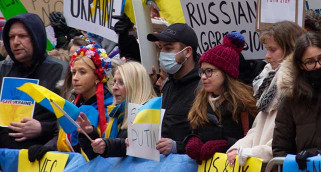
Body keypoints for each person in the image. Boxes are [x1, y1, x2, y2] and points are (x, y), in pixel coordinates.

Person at [227, 21, 305, 167]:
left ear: (291, 49)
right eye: (266, 49)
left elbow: (285, 138)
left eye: (272, 49)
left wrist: (250, 152)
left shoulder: (296, 87)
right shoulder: (268, 81)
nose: (267, 56)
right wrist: (238, 148)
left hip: (276, 164)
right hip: (261, 164)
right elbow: (257, 128)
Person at [184, 32, 258, 164]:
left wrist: (224, 144)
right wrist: (191, 140)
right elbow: (194, 131)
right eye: (202, 71)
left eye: (210, 71)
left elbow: (254, 141)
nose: (203, 76)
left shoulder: (245, 105)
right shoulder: (200, 102)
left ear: (226, 73)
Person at [272, 32, 321, 170]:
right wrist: (294, 164)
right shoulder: (291, 98)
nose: (318, 65)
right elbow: (281, 147)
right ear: (301, 65)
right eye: (310, 62)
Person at [0, 13, 65, 149]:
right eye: (11, 37)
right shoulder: (3, 70)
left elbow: (72, 120)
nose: (15, 42)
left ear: (37, 37)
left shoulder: (60, 70)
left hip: (40, 157)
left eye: (22, 36)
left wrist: (42, 128)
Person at [78, 61, 157, 159]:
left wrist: (107, 145)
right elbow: (98, 157)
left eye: (121, 82)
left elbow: (137, 149)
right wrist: (88, 133)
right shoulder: (117, 114)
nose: (114, 88)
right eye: (114, 82)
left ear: (136, 86)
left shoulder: (150, 112)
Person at [147, 23, 200, 155]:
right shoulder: (168, 85)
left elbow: (208, 138)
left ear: (187, 52)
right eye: (161, 48)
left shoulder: (203, 87)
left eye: (169, 48)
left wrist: (178, 147)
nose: (162, 54)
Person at [53, 43, 114, 156]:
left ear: (97, 76)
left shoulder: (111, 107)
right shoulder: (71, 104)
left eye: (82, 72)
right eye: (74, 72)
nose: (75, 78)